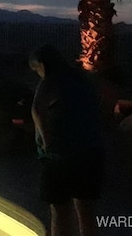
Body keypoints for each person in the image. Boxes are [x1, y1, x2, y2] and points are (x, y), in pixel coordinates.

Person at [29, 44, 105, 236]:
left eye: (36, 69)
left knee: (60, 211)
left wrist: (47, 142)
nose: (38, 74)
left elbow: (37, 110)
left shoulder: (51, 81)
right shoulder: (83, 78)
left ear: (42, 65)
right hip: (91, 152)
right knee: (86, 211)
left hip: (61, 156)